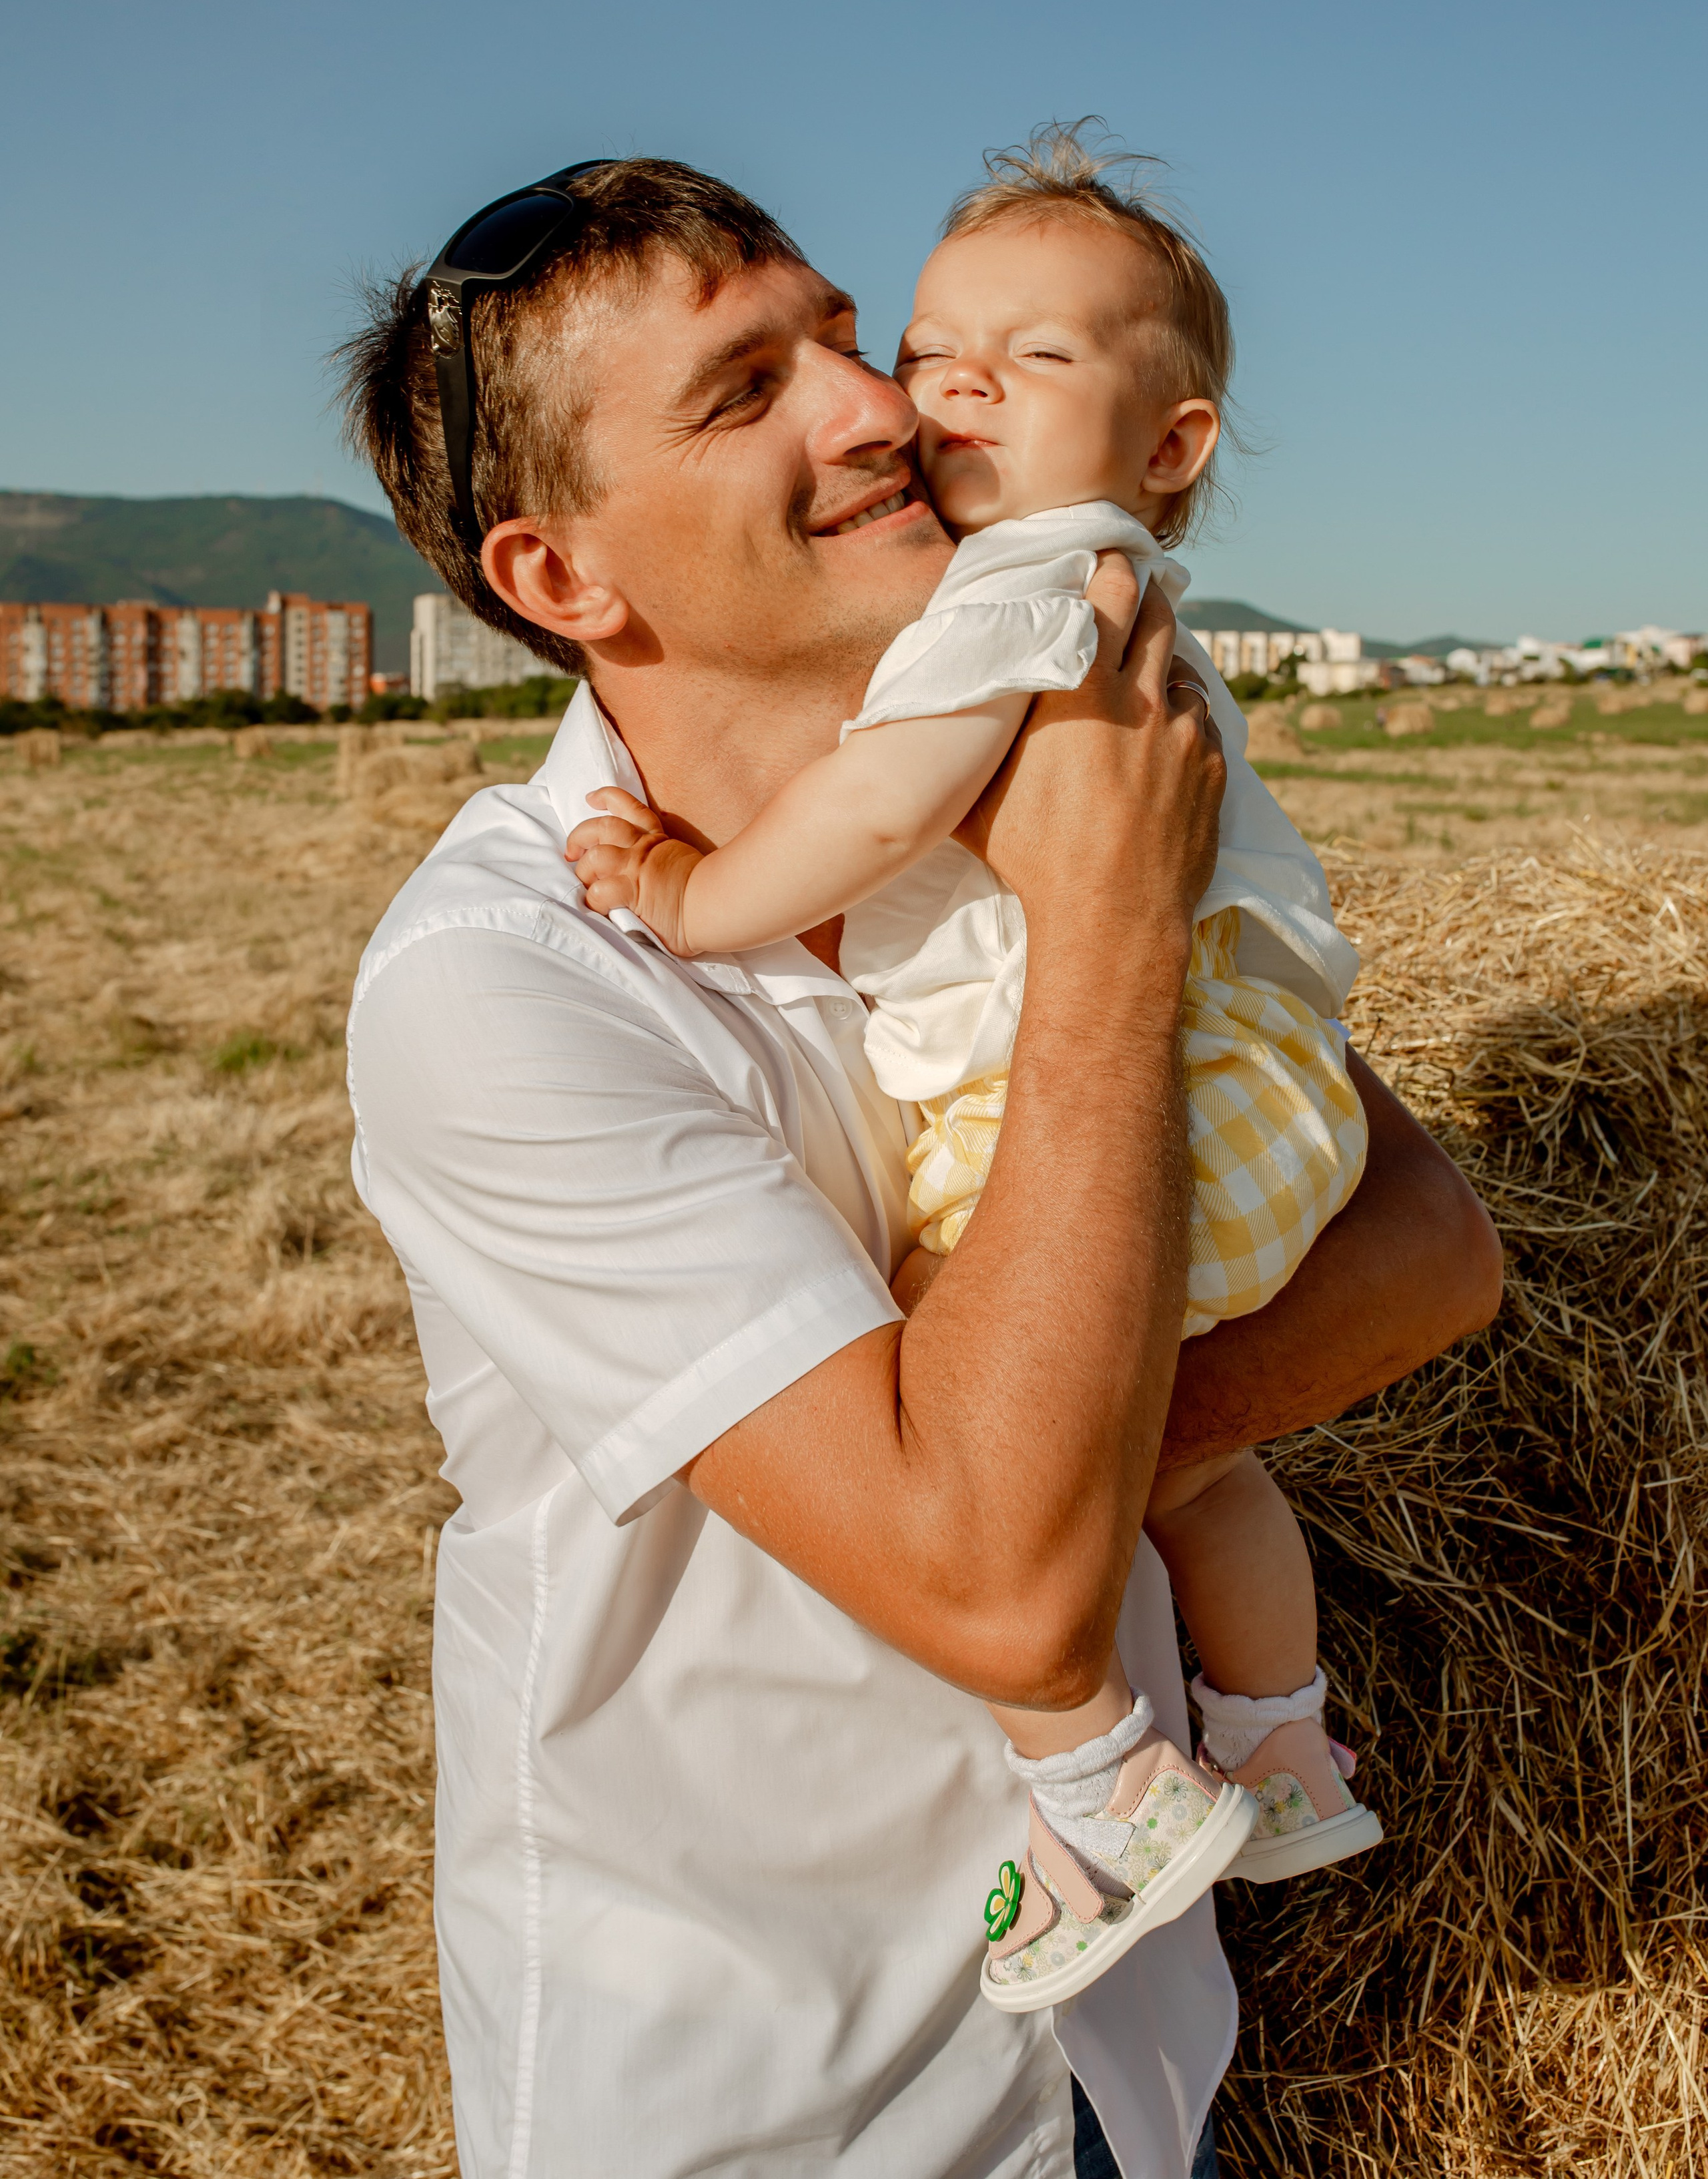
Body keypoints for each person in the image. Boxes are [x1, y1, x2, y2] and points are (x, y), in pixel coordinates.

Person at [338, 154, 1502, 2179]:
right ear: (560, 579)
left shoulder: (1044, 743)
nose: (882, 405)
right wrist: (1111, 922)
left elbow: (1425, 1251)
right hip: (788, 2094)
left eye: (842, 335)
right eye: (745, 389)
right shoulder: (505, 986)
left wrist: (1028, 1456)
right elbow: (1006, 1587)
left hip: (1132, 2061)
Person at [563, 129, 1380, 2017]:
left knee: (958, 1362)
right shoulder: (1099, 593)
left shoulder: (1019, 592)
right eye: (936, 350)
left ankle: (1106, 1781)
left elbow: (878, 807)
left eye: (1034, 359)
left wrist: (687, 895)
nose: (928, 398)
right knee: (1202, 1464)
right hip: (1260, 1092)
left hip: (1198, 1098)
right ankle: (1284, 1749)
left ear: (1171, 444)